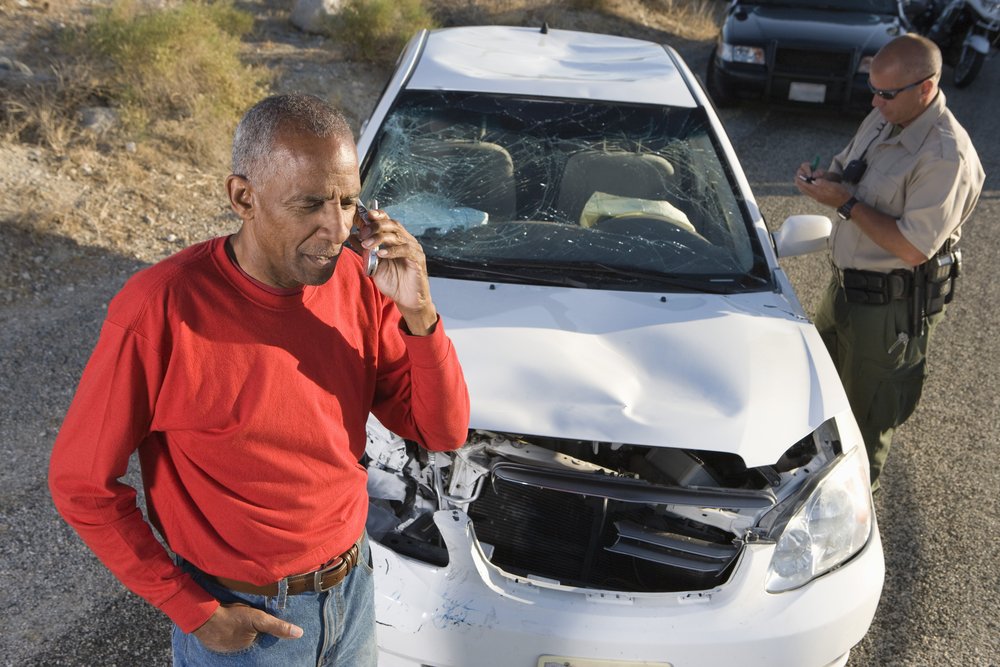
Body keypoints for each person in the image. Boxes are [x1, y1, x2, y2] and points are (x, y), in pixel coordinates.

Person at [48, 93, 471, 665]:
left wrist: (420, 316)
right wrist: (192, 609)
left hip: (353, 590)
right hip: (246, 624)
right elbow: (81, 485)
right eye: (312, 205)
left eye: (349, 202)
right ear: (243, 197)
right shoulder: (158, 309)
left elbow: (441, 431)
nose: (338, 227)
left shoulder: (359, 282)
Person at [794, 34, 983, 490]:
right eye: (872, 90)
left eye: (886, 93)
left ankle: (851, 532)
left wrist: (844, 204)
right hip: (844, 290)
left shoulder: (945, 155)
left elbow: (913, 248)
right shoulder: (886, 118)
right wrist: (824, 179)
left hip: (889, 310)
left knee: (863, 428)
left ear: (926, 87)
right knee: (816, 403)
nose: (875, 102)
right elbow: (847, 167)